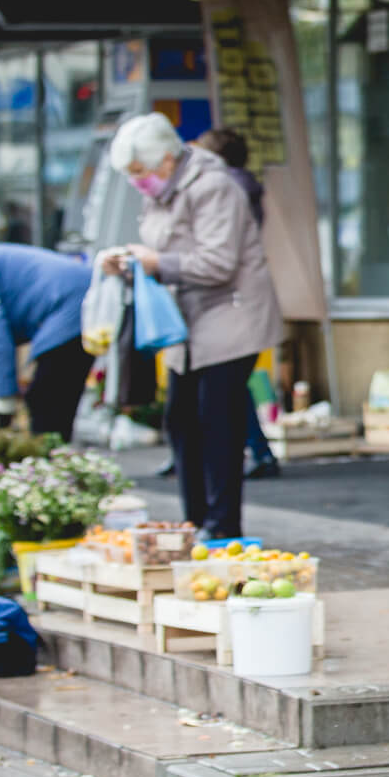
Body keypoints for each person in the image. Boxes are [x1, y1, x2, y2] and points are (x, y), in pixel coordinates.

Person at [98, 113, 282, 542]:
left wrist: (155, 263)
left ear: (166, 160)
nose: (137, 181)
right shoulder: (162, 192)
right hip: (186, 321)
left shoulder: (215, 186)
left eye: (140, 171)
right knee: (180, 420)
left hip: (230, 316)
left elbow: (218, 263)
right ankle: (195, 522)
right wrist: (129, 263)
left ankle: (221, 527)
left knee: (217, 423)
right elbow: (162, 252)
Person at [189, 126, 279, 480]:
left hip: (232, 303)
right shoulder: (239, 187)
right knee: (228, 386)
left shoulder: (226, 189)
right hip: (235, 302)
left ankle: (256, 451)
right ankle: (255, 450)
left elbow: (220, 257)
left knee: (227, 386)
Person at [0, 241, 93, 441]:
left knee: (47, 398)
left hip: (72, 303)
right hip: (77, 297)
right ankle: (53, 453)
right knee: (50, 397)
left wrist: (4, 403)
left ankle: (51, 455)